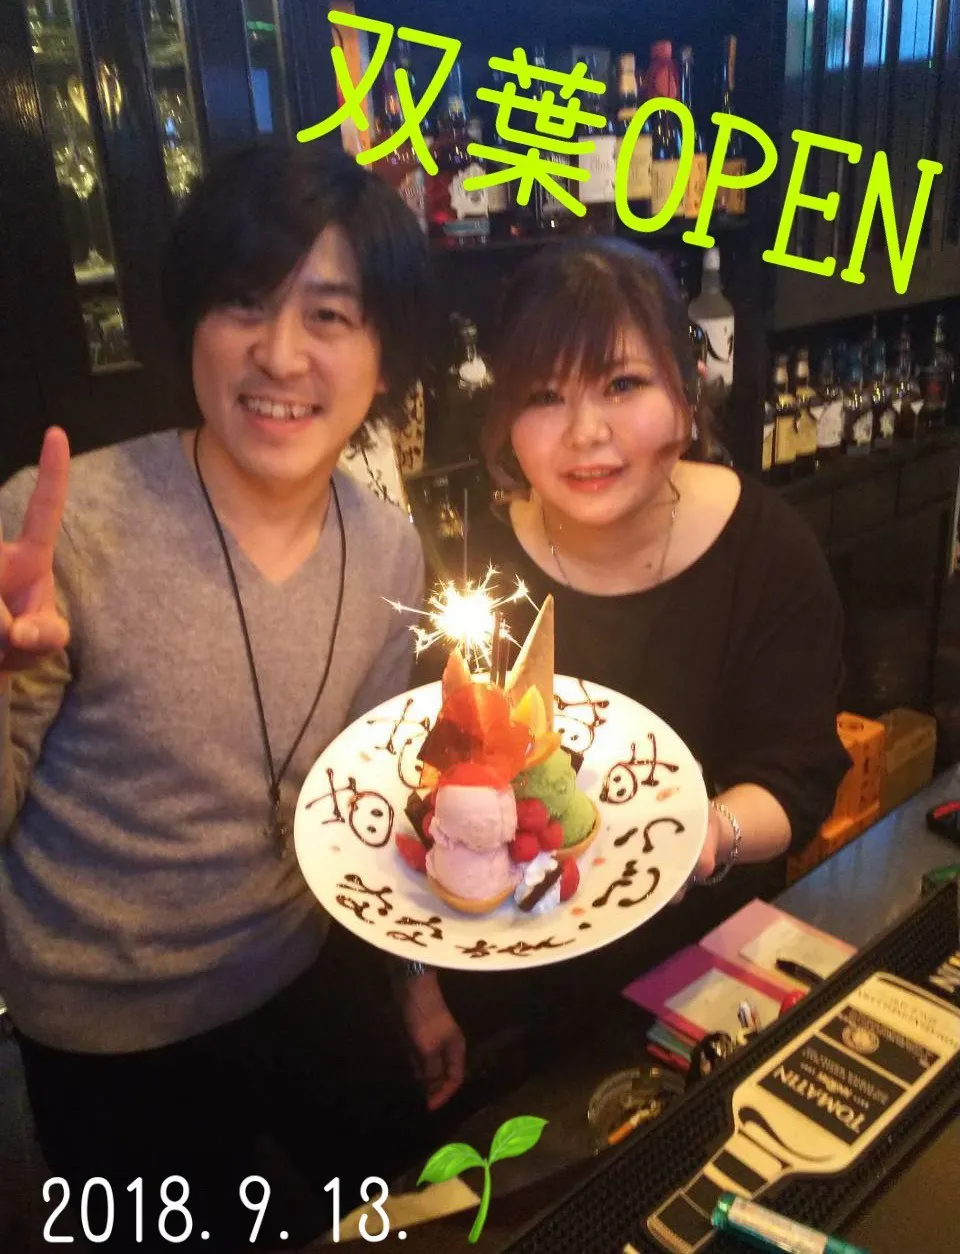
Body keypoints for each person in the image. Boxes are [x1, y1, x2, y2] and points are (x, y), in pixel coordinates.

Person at [0, 141, 465, 1253]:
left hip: (307, 974)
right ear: (192, 323)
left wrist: (413, 982)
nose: (280, 354)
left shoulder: (388, 549)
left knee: (420, 1220)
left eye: (330, 315)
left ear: (386, 360)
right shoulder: (60, 532)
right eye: (244, 302)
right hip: (106, 1040)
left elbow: (367, 802)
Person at [430, 237, 851, 1052]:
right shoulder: (478, 563)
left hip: (697, 980)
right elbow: (432, 772)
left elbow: (798, 777)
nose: (586, 432)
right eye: (544, 395)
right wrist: (419, 989)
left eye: (623, 384)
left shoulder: (767, 551)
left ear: (686, 396)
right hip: (505, 988)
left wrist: (709, 834)